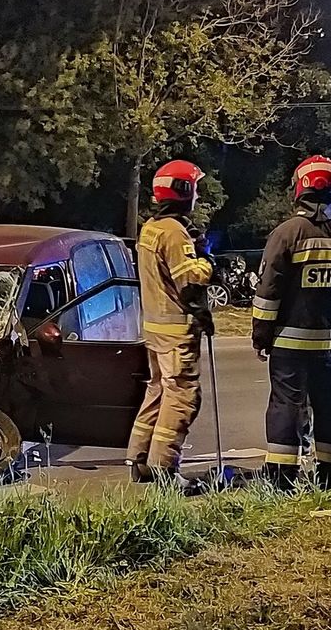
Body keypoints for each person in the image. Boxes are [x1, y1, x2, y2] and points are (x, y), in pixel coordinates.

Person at [252, 156, 331, 490]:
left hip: (289, 342)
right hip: (330, 345)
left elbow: (268, 291)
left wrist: (261, 335)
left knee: (287, 404)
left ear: (299, 188)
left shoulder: (286, 234)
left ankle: (282, 478)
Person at [126, 159, 214, 484]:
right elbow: (190, 284)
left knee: (158, 391)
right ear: (182, 192)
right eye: (194, 189)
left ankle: (140, 460)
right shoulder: (175, 234)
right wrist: (205, 259)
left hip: (154, 330)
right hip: (177, 333)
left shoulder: (150, 229)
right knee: (182, 397)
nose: (197, 196)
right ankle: (165, 469)